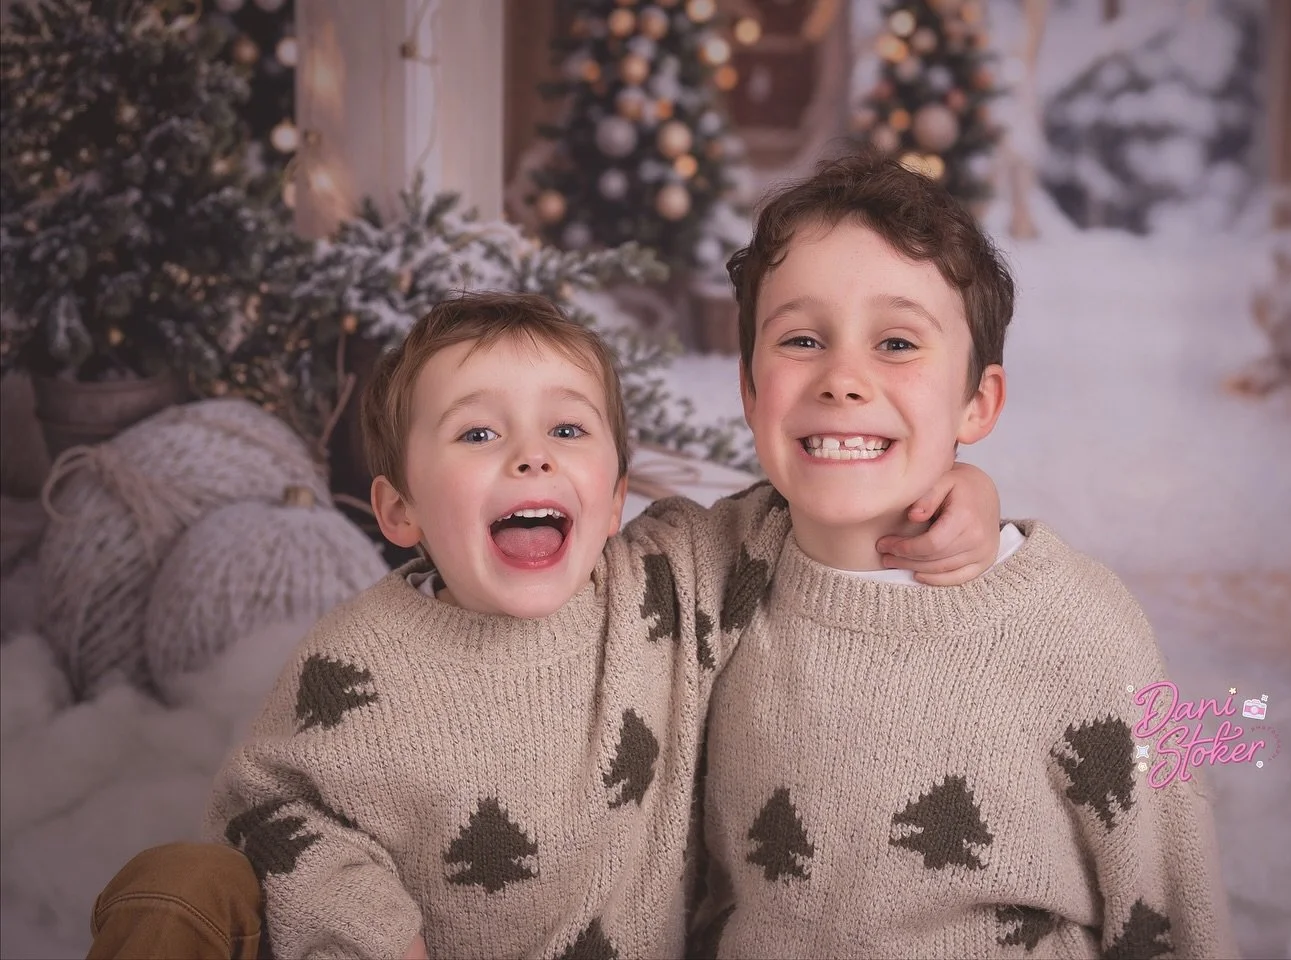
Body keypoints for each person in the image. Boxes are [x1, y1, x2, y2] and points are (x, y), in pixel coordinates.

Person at [87, 291, 1002, 959]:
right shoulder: (355, 661)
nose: (529, 453)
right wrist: (366, 926)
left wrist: (941, 491)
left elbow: (801, 511)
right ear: (398, 510)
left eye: (567, 432)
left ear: (610, 498)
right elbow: (265, 806)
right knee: (176, 885)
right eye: (478, 436)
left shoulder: (666, 583)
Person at [692, 152, 1239, 959]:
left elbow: (1175, 895)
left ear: (977, 402)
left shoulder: (1080, 628)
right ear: (749, 390)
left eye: (898, 343)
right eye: (803, 338)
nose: (844, 378)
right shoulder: (707, 584)